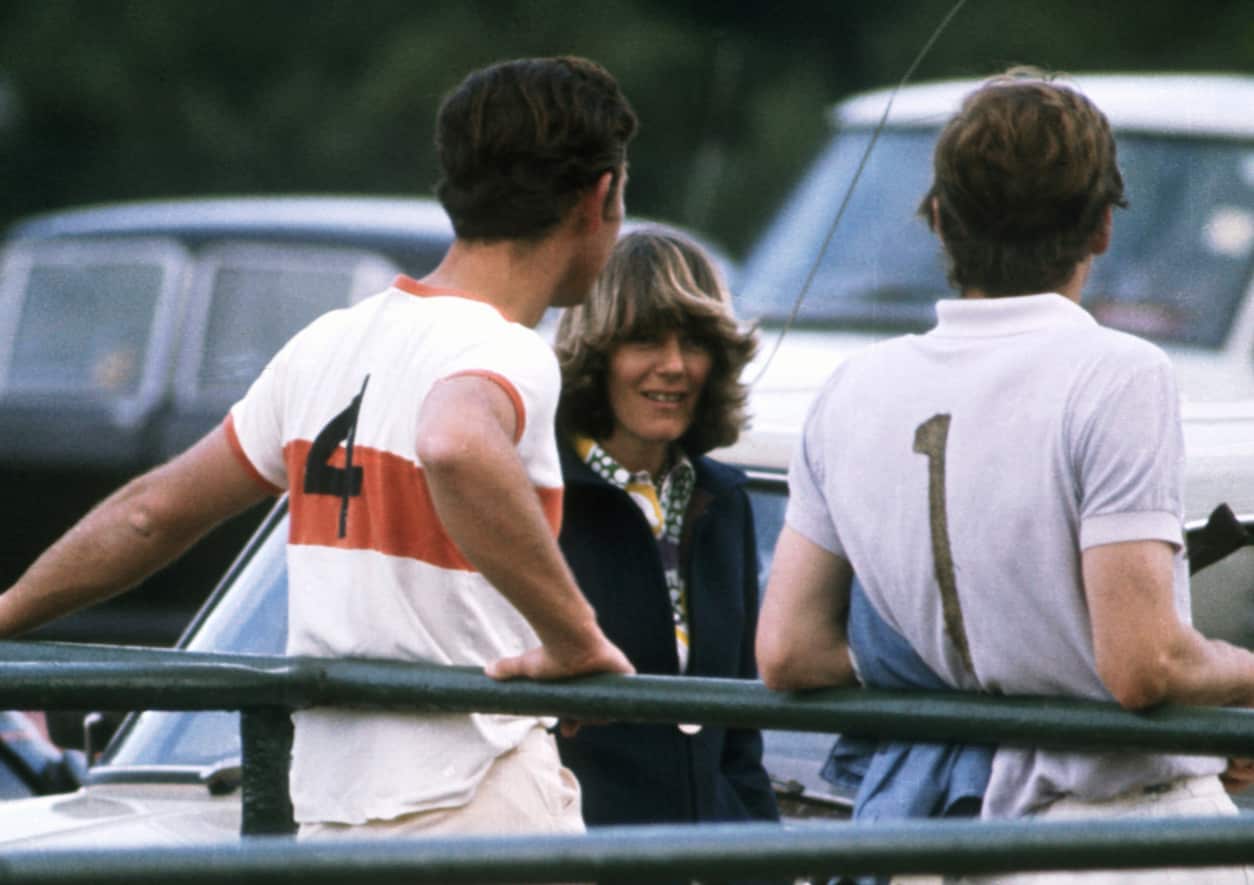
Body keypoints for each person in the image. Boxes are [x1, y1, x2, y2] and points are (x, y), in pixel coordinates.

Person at [0, 55, 639, 840]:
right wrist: (578, 641)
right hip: (478, 800)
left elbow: (148, 512)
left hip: (330, 811)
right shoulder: (510, 352)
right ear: (599, 195)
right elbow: (453, 441)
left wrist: (5, 615)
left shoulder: (327, 344)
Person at [755, 68, 1254, 884]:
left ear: (941, 220)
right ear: (1100, 228)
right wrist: (1241, 678)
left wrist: (971, 655)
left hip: (936, 839)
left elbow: (789, 651)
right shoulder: (1119, 373)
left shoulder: (852, 388)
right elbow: (1142, 665)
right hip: (1120, 840)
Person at [551, 228, 779, 840]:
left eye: (697, 342)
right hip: (573, 864)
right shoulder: (535, 496)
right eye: (645, 340)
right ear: (596, 353)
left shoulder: (725, 501)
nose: (674, 365)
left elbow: (738, 743)